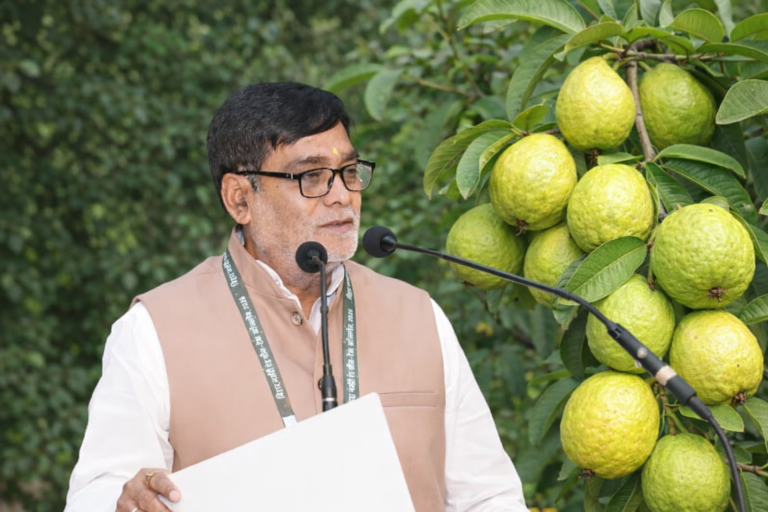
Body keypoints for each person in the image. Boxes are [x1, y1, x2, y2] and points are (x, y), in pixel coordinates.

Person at [65, 82, 527, 512]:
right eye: (311, 177)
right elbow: (99, 492)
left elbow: (490, 497)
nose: (342, 196)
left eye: (349, 172)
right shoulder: (155, 331)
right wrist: (122, 503)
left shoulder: (419, 317)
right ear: (239, 198)